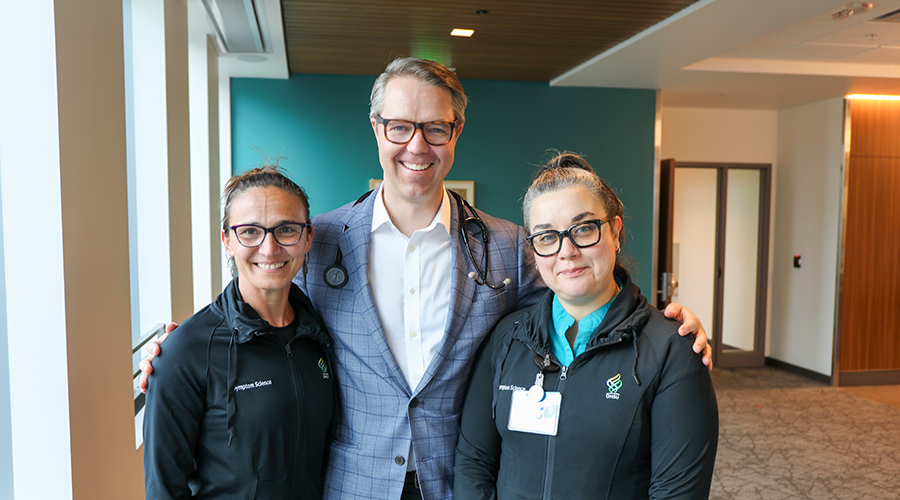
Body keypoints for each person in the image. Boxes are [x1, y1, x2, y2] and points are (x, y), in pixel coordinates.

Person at [141, 58, 711, 500]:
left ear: (456, 133)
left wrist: (665, 325)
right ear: (376, 129)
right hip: (352, 481)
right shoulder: (319, 239)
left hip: (455, 479)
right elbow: (261, 291)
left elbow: (581, 294)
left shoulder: (511, 246)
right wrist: (182, 350)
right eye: (399, 126)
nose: (417, 145)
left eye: (435, 128)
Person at [453, 153, 718, 499]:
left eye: (583, 229)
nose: (567, 250)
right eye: (547, 237)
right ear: (533, 251)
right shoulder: (507, 338)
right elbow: (474, 463)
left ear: (616, 232)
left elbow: (676, 493)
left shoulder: (672, 349)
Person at [143, 167, 336, 499]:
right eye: (249, 232)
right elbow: (164, 488)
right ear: (227, 241)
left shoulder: (321, 334)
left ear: (308, 238)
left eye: (286, 229)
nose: (269, 248)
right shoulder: (184, 352)